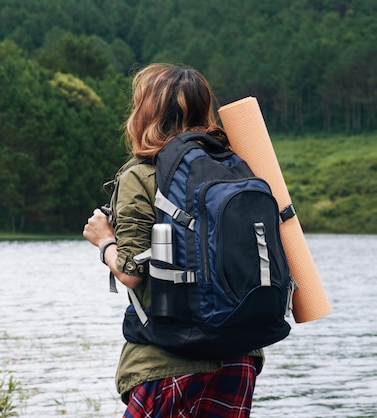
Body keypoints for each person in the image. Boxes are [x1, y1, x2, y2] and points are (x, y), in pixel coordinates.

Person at [83, 63, 264, 417]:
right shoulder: (239, 165)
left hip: (170, 358)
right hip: (241, 357)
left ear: (146, 113)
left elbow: (132, 270)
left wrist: (104, 241)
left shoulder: (142, 174)